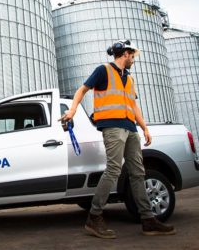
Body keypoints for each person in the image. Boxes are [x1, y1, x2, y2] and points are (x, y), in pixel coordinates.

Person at [60, 40, 176, 239]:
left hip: (130, 128)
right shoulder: (103, 70)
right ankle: (94, 217)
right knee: (114, 169)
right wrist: (71, 111)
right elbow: (82, 90)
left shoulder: (129, 79)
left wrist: (144, 127)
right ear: (125, 54)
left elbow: (133, 105)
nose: (133, 59)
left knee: (138, 172)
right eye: (132, 55)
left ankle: (148, 220)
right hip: (112, 127)